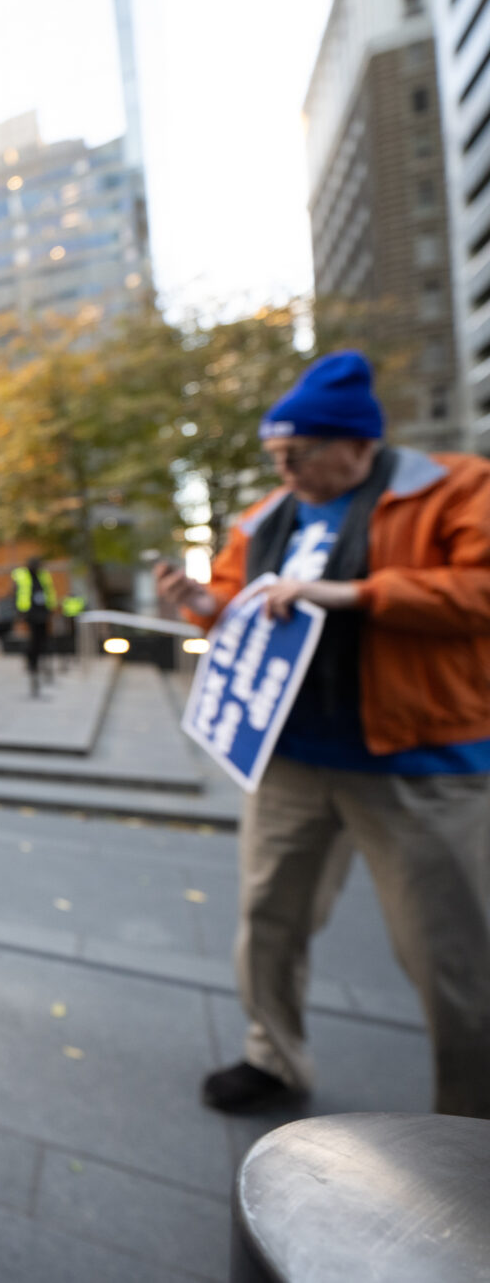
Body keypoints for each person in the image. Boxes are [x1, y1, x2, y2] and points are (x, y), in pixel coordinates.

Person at [154, 349, 490, 1119]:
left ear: (358, 444)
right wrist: (203, 604)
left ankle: (472, 1117)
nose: (286, 468)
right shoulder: (269, 515)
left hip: (420, 759)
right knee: (270, 917)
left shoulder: (456, 489)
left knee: (451, 953)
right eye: (277, 455)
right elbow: (239, 605)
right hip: (290, 758)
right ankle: (272, 1053)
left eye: (298, 453)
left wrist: (358, 594)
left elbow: (480, 588)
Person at [12, 556, 56, 696]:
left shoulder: (43, 575)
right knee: (33, 640)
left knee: (43, 639)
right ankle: (32, 664)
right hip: (29, 613)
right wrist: (21, 612)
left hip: (42, 612)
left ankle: (41, 664)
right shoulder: (22, 575)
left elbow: (49, 592)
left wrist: (51, 608)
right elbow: (17, 594)